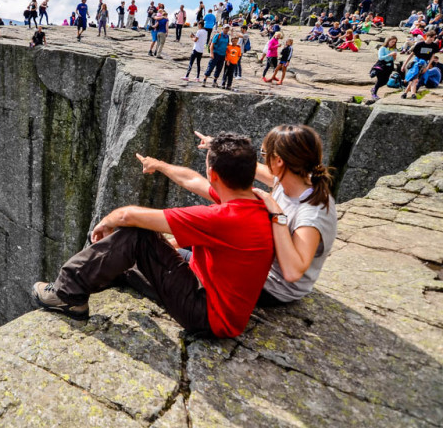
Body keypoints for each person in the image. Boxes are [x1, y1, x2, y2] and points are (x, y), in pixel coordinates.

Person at [32, 132, 274, 340]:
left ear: (214, 175)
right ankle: (100, 276)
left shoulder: (224, 218)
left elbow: (128, 217)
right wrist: (158, 164)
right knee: (129, 258)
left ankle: (67, 294)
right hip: (219, 304)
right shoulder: (254, 200)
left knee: (138, 236)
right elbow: (192, 180)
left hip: (207, 315)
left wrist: (107, 221)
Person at [197, 126, 336, 307]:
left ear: (278, 161)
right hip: (260, 264)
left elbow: (293, 272)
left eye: (263, 153)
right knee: (197, 245)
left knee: (178, 259)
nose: (261, 158)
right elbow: (248, 165)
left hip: (274, 288)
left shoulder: (311, 214)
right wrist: (217, 147)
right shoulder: (294, 179)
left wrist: (278, 215)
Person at [402, 31, 440, 99]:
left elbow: (432, 57)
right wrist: (404, 65)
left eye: (433, 38)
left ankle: (405, 91)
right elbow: (411, 55)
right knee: (415, 78)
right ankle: (411, 94)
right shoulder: (420, 44)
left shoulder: (434, 46)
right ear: (427, 37)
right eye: (431, 37)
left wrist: (427, 67)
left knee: (414, 78)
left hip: (424, 62)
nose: (432, 39)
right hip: (417, 61)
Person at [369, 36, 399, 102]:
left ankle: (374, 89)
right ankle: (374, 93)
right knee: (380, 79)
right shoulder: (383, 48)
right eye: (392, 42)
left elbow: (393, 59)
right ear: (388, 41)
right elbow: (380, 58)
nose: (393, 43)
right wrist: (389, 55)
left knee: (385, 81)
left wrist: (394, 56)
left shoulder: (394, 49)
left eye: (394, 42)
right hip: (381, 64)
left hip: (389, 66)